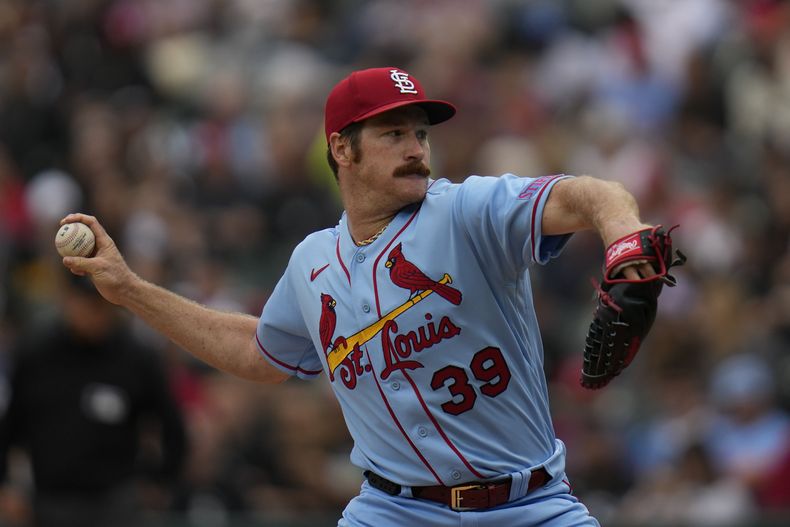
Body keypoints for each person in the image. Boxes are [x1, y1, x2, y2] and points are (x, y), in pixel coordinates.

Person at [59, 66, 662, 526]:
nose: (416, 148)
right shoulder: (311, 262)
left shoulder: (465, 212)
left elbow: (591, 195)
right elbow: (256, 353)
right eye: (393, 132)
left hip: (529, 504)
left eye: (420, 133)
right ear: (341, 150)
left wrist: (624, 243)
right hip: (395, 511)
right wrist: (130, 290)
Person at [0, 275, 187, 527]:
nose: (93, 313)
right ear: (67, 300)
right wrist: (5, 486)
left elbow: (173, 426)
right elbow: (10, 425)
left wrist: (160, 480)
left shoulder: (136, 357)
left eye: (101, 304)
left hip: (116, 503)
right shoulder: (37, 353)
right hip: (50, 502)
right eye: (86, 302)